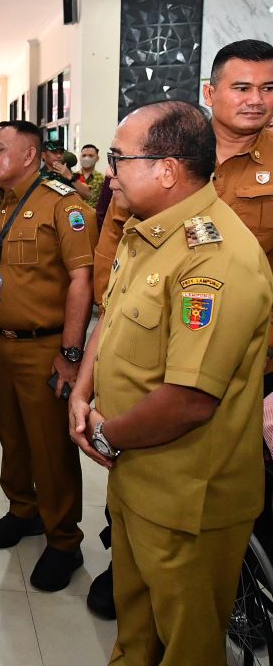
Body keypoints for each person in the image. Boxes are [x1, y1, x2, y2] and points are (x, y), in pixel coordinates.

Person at [69, 100, 273, 664]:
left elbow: (188, 401)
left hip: (188, 493)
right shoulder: (146, 231)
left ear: (166, 169)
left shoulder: (216, 260)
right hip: (136, 474)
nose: (108, 172)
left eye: (118, 159)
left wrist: (108, 436)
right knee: (135, 628)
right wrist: (83, 392)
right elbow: (111, 317)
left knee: (186, 643)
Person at [0, 120, 97, 591]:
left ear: (29, 156)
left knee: (50, 446)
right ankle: (22, 510)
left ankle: (63, 540)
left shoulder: (64, 206)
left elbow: (81, 282)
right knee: (11, 434)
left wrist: (70, 353)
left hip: (44, 346)